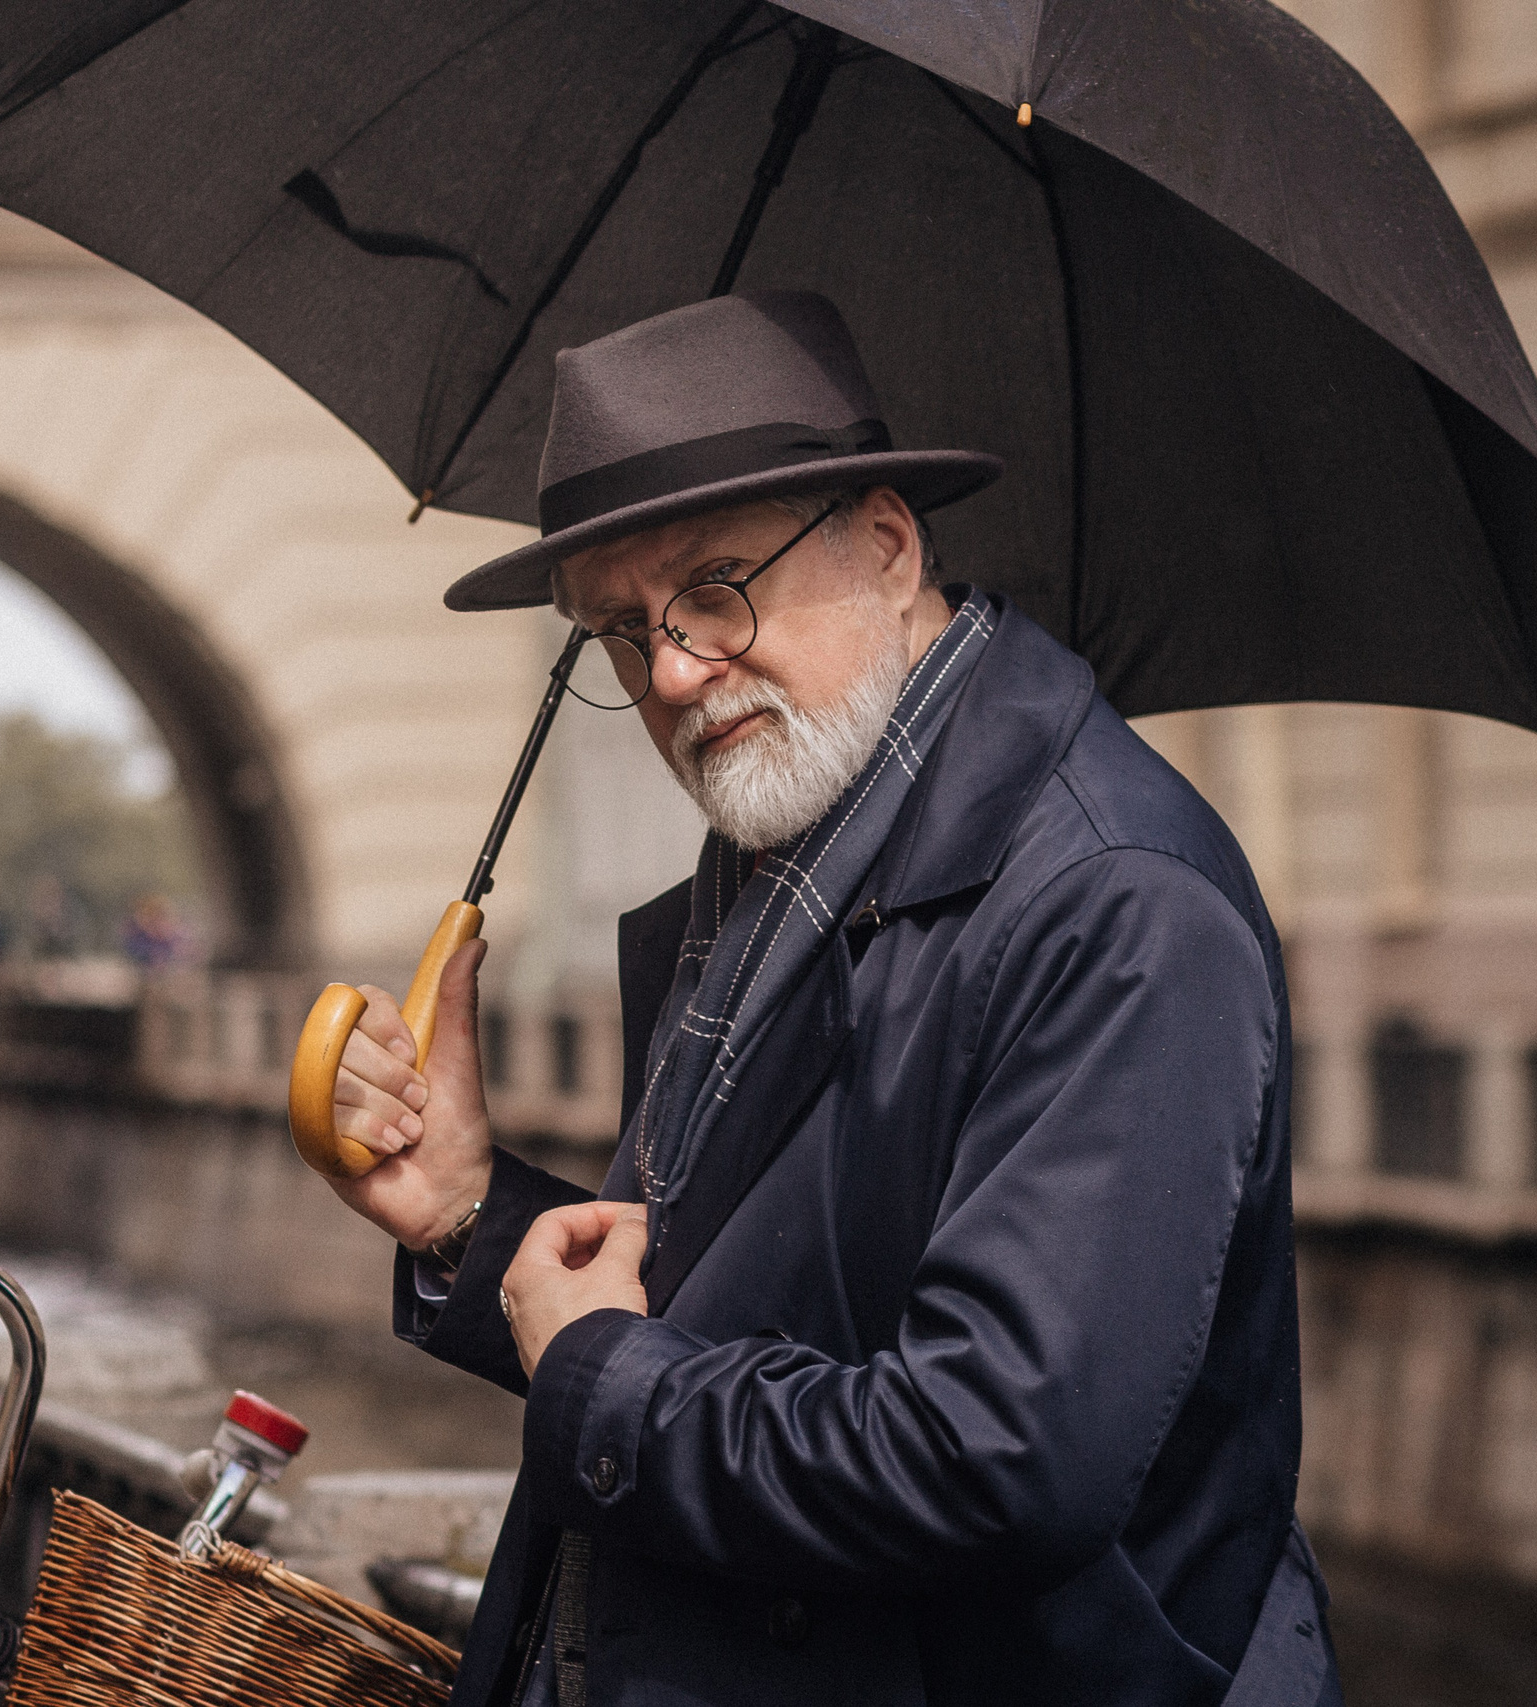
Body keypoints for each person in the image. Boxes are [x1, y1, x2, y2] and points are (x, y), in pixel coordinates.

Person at [321, 293, 1334, 1706]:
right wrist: (468, 1217)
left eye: (716, 586)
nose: (676, 670)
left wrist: (601, 1379)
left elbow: (994, 1458)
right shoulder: (797, 850)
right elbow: (742, 1310)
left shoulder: (1118, 903)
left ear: (891, 544)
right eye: (622, 630)